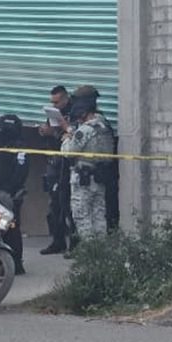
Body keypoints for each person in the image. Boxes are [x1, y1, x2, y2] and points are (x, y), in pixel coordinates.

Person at [59, 90, 115, 254]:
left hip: (83, 179)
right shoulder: (104, 125)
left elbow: (68, 152)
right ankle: (101, 255)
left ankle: (91, 254)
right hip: (100, 178)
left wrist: (68, 136)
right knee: (99, 217)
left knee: (82, 216)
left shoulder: (86, 129)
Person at [0, 114, 29, 275]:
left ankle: (16, 263)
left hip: (10, 195)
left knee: (11, 228)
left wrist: (9, 191)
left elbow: (20, 172)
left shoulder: (19, 148)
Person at [38, 86, 73, 255]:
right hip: (54, 163)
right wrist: (45, 132)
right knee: (54, 205)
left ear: (66, 99)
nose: (55, 105)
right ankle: (57, 241)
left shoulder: (74, 113)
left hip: (67, 164)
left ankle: (75, 242)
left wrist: (56, 131)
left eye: (57, 102)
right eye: (52, 102)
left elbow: (73, 136)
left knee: (69, 205)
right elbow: (49, 130)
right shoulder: (53, 113)